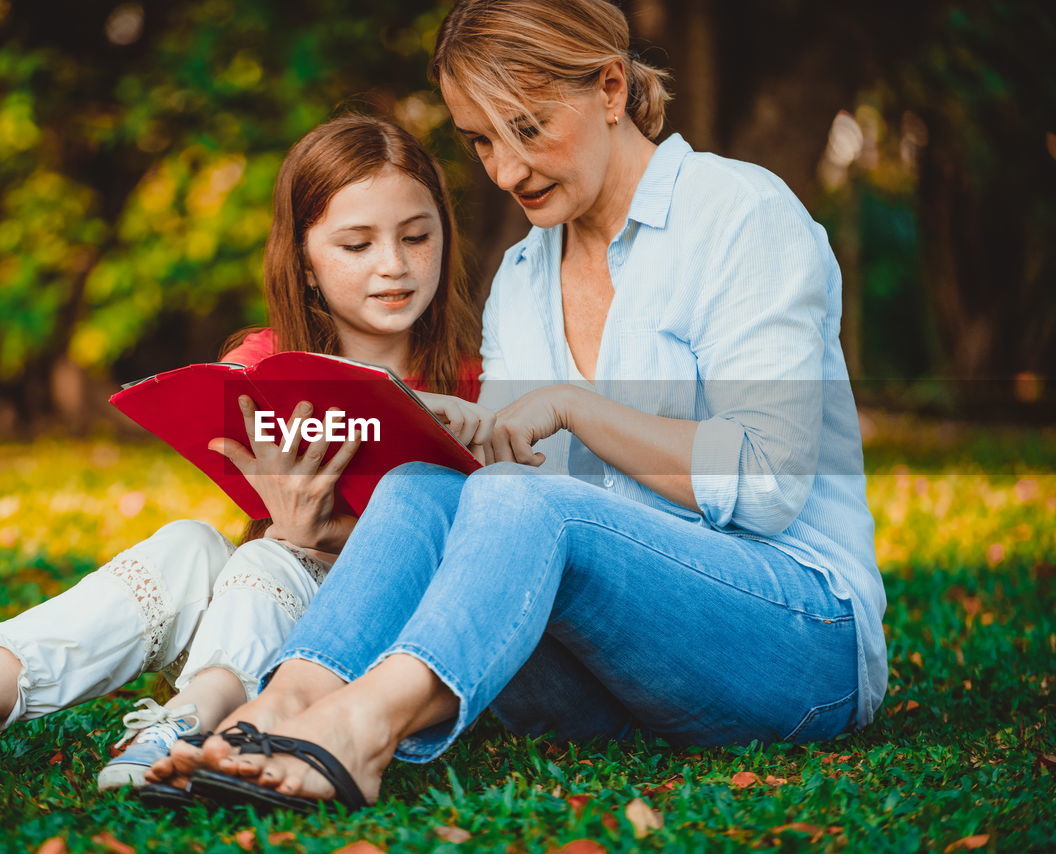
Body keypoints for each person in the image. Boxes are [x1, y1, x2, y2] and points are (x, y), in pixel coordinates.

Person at [146, 0, 887, 813]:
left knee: (523, 500)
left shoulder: (741, 217)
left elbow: (770, 483)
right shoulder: (524, 279)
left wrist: (573, 407)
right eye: (480, 141)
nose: (504, 170)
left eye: (527, 129)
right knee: (423, 490)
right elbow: (497, 511)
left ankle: (358, 727)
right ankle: (280, 707)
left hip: (795, 642)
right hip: (615, 673)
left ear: (610, 88)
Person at [0, 114, 489, 790]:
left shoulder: (478, 383)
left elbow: (478, 570)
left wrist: (309, 536)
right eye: (357, 244)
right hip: (261, 621)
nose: (395, 265)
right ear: (305, 263)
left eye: (417, 237)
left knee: (270, 552)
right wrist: (294, 530)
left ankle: (186, 728)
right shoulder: (262, 363)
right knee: (188, 545)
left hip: (373, 648)